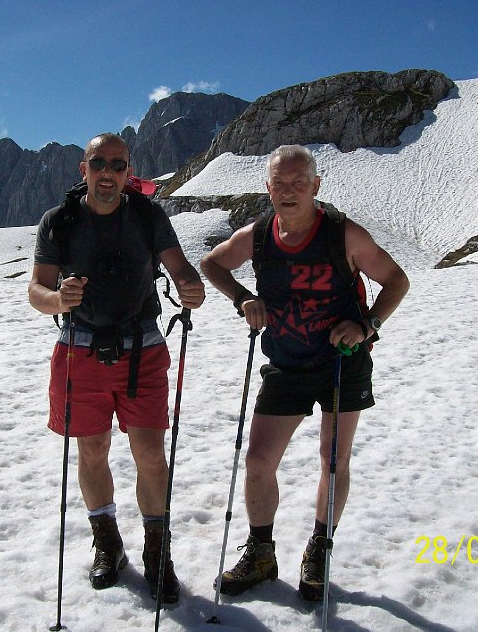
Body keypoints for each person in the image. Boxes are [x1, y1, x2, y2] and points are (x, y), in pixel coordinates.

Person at [200, 144, 409, 600]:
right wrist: (242, 298)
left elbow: (396, 280)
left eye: (299, 183)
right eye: (280, 183)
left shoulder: (342, 235)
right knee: (258, 463)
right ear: (267, 187)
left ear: (316, 185)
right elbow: (211, 264)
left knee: (332, 461)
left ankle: (320, 548)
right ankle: (261, 551)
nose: (289, 191)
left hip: (342, 363)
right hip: (287, 364)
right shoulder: (257, 235)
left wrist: (367, 323)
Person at [28, 133, 205, 603]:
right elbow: (36, 292)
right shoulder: (59, 222)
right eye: (99, 163)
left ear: (129, 173)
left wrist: (192, 287)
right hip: (78, 349)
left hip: (141, 348)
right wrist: (57, 300)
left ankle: (156, 551)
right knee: (92, 450)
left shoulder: (147, 215)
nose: (109, 173)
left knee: (149, 452)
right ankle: (108, 543)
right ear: (83, 169)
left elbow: (180, 268)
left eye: (118, 165)